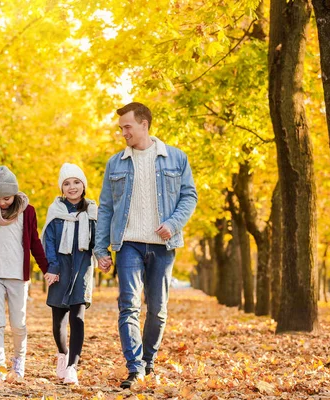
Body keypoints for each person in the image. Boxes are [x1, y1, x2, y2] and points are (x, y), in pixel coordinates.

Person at [94, 102, 197, 389]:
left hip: (163, 245)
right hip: (128, 244)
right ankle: (135, 367)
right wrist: (101, 249)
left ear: (144, 124)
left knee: (158, 309)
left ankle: (148, 360)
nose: (123, 132)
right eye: (120, 128)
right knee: (128, 305)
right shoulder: (116, 162)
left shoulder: (175, 158)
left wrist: (174, 223)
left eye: (127, 126)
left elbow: (189, 196)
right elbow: (105, 208)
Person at [0, 166, 49, 384]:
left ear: (14, 193)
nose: (2, 203)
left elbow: (34, 242)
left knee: (18, 323)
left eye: (6, 198)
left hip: (17, 274)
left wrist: (46, 269)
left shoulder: (28, 211)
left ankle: (18, 360)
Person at [41, 163, 97, 385]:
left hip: (82, 267)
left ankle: (73, 366)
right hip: (60, 268)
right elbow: (50, 242)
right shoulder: (55, 211)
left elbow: (98, 240)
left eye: (76, 182)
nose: (72, 187)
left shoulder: (93, 211)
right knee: (58, 322)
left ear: (83, 185)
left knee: (78, 317)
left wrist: (103, 256)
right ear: (61, 188)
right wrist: (52, 267)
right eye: (66, 183)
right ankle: (62, 355)